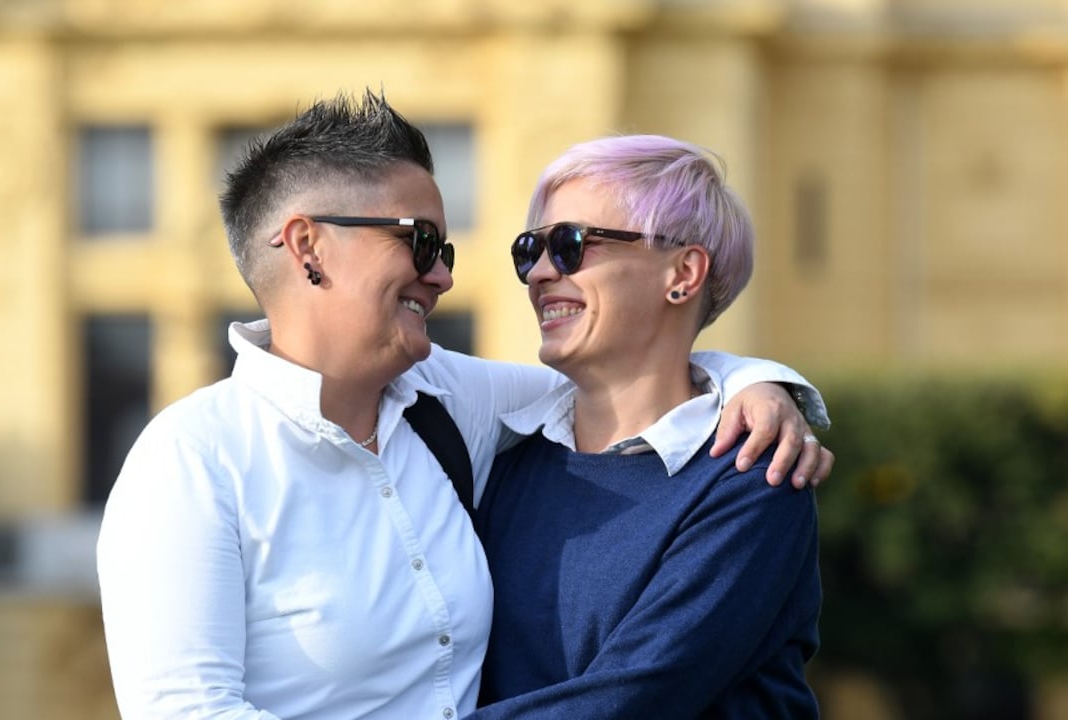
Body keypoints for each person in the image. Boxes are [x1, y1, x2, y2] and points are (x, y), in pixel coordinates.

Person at [96, 91, 830, 720]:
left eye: (570, 245)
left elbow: (638, 387)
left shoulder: (457, 411)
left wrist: (756, 383)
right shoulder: (193, 458)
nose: (443, 277)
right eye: (420, 243)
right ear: (307, 247)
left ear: (683, 270)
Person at [471, 135, 822, 719]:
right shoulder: (499, 461)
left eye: (570, 244)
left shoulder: (748, 478)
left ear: (682, 273)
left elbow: (630, 700)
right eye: (529, 249)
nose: (537, 272)